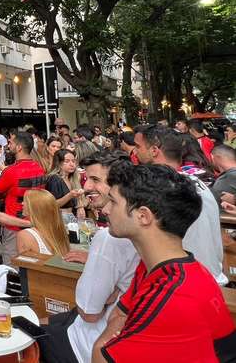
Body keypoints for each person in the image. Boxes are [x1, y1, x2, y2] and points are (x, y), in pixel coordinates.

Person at [91, 163, 235, 363]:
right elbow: (117, 315)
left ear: (143, 216)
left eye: (113, 202)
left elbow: (101, 355)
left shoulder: (173, 294)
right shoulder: (162, 266)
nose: (105, 209)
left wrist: (102, 342)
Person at [38, 152, 140, 363]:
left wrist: (108, 292)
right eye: (87, 179)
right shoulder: (148, 227)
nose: (87, 187)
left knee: (24, 338)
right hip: (117, 339)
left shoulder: (111, 236)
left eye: (95, 180)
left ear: (119, 185)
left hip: (86, 345)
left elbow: (89, 312)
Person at [134, 124, 227, 285]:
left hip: (187, 284)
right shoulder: (195, 182)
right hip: (209, 278)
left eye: (138, 146)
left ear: (154, 150)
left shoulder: (162, 188)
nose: (135, 152)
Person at [0, 131, 46, 263]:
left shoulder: (11, 171)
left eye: (10, 142)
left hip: (13, 225)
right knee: (31, 262)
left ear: (19, 147)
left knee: (12, 265)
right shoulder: (40, 168)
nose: (7, 145)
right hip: (35, 223)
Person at [16, 189, 70, 256]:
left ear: (35, 207)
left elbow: (25, 265)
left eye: (25, 201)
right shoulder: (59, 229)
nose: (22, 203)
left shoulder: (25, 235)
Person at [45, 149, 86, 218]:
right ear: (59, 163)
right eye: (67, 161)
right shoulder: (54, 179)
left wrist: (80, 206)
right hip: (58, 218)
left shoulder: (72, 178)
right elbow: (52, 204)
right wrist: (70, 195)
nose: (72, 164)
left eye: (73, 161)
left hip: (72, 217)